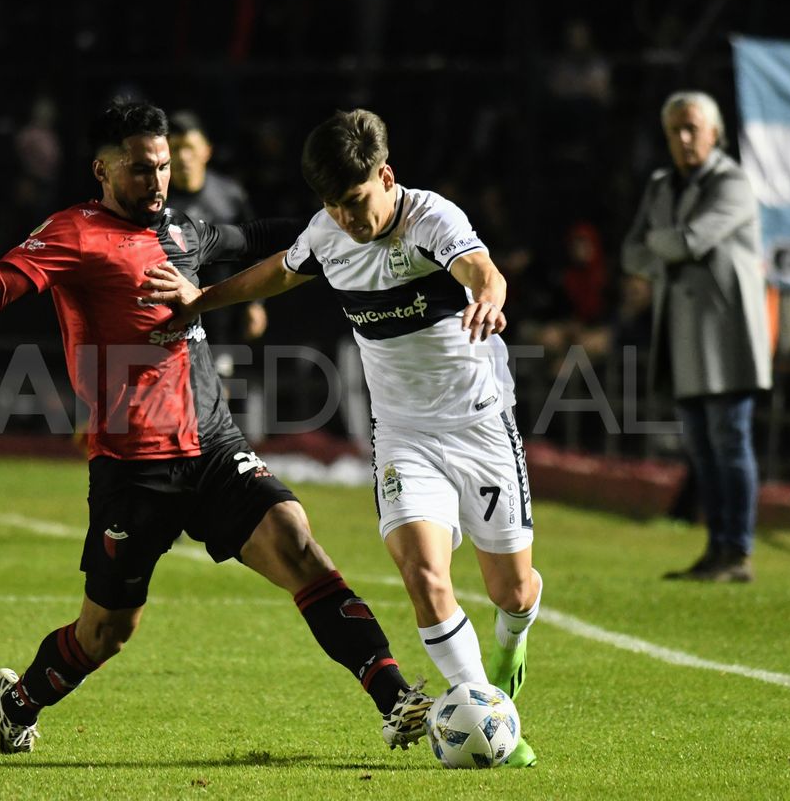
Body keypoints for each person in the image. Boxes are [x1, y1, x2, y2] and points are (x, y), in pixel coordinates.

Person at [0, 100, 433, 755]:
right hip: (131, 470)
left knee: (298, 544)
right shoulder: (74, 234)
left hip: (213, 448)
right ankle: (21, 701)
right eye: (140, 170)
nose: (156, 182)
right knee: (106, 634)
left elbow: (265, 236)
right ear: (102, 170)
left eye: (162, 168)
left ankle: (396, 699)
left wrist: (363, 217)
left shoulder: (184, 234)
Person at [143, 109, 542, 768]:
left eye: (357, 202)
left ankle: (515, 632)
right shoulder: (329, 233)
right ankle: (482, 711)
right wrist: (198, 300)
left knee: (513, 590)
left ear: (386, 177)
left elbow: (480, 268)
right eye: (335, 206)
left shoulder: (431, 218)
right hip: (406, 436)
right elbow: (278, 271)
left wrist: (491, 295)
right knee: (422, 571)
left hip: (479, 426)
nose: (350, 220)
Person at [622, 91, 772, 583]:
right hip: (684, 340)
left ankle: (739, 552)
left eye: (692, 128)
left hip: (727, 341)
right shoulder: (664, 183)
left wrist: (660, 246)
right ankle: (718, 550)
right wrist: (665, 248)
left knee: (730, 443)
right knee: (704, 451)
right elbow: (631, 253)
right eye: (675, 130)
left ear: (714, 132)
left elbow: (689, 240)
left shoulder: (733, 182)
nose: (684, 139)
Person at [167, 110, 267, 372]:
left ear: (206, 151)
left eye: (189, 147)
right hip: (169, 322)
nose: (182, 156)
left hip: (221, 321)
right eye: (175, 148)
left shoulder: (230, 197)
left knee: (217, 392)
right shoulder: (155, 200)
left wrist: (256, 304)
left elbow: (253, 249)